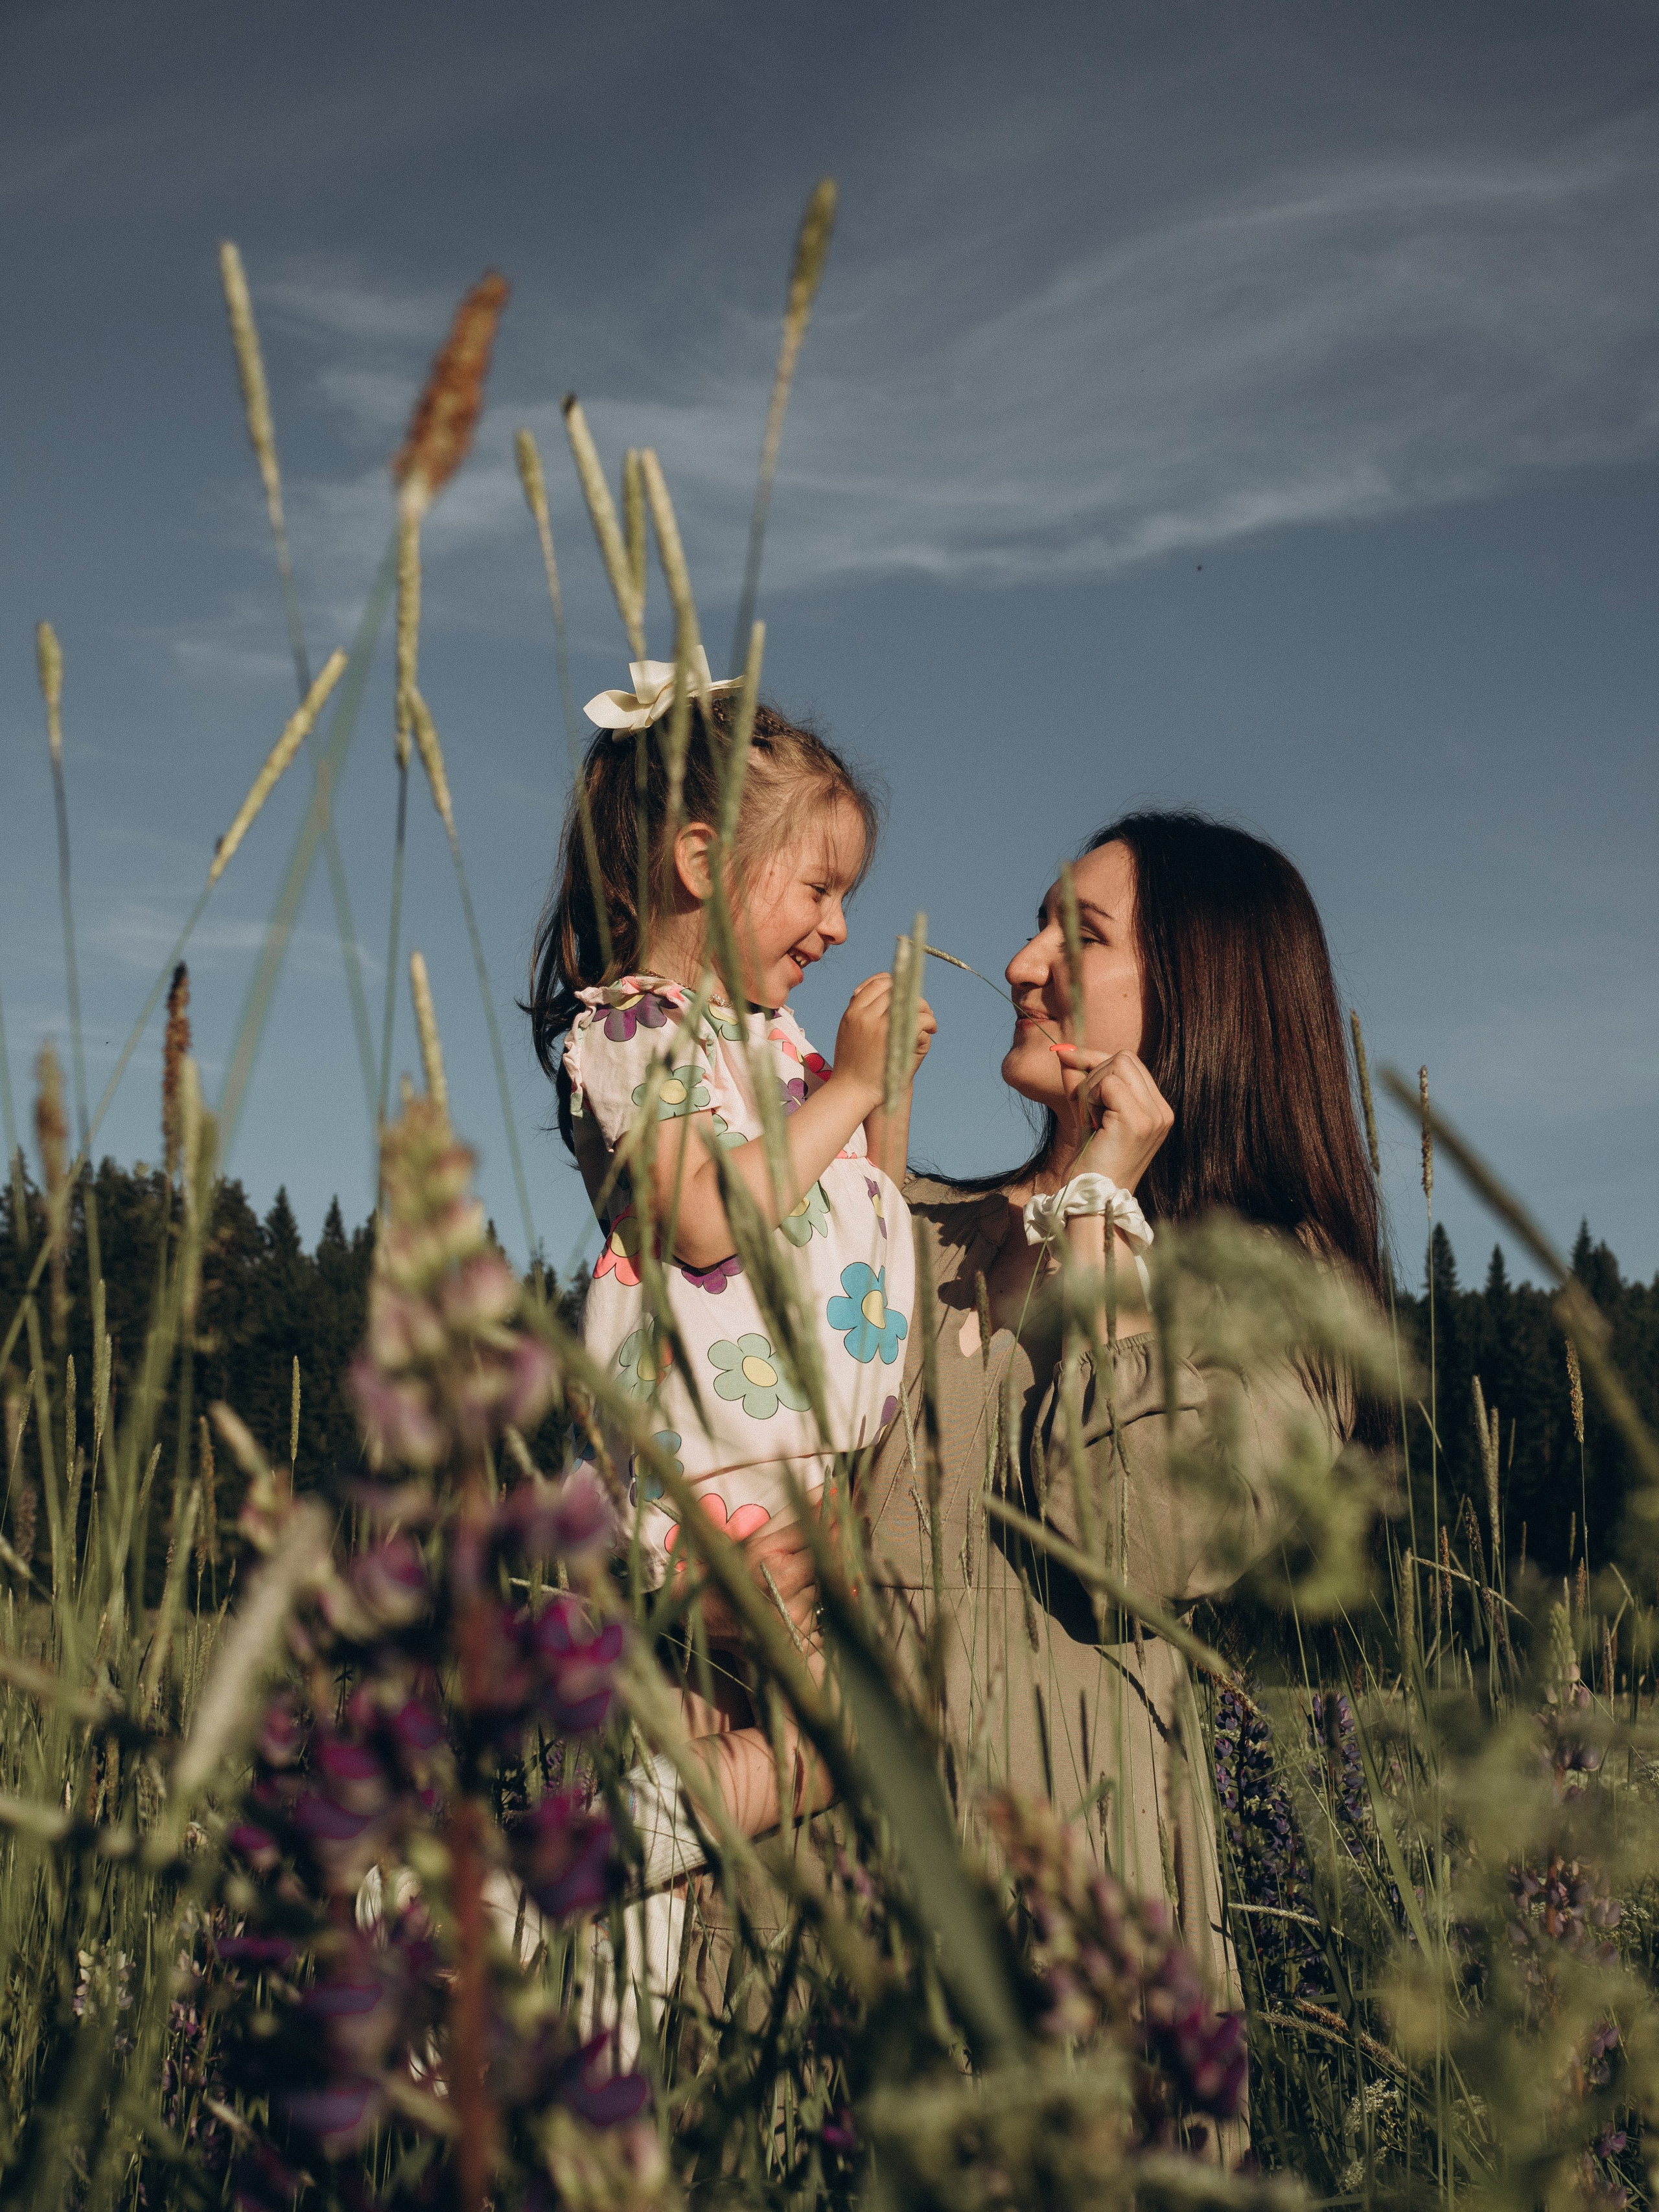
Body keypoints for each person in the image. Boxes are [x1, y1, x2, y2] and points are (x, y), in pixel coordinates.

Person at [682, 809, 1383, 2028]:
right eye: (1036, 924)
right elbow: (711, 1452)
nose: (1021, 964)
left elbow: (1132, 1535)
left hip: (1060, 1962)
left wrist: (1104, 1207)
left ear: (1205, 996)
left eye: (1084, 934)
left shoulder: (1279, 1288)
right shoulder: (907, 1226)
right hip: (792, 1956)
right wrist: (709, 1588)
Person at [528, 653, 935, 1849]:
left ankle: (560, 1884)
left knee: (803, 1745)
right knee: (842, 1741)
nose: (839, 924)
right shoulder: (632, 1030)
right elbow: (704, 1216)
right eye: (817, 886)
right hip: (705, 1483)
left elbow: (869, 1236)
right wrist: (849, 1084)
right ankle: (530, 1872)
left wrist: (879, 1102)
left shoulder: (784, 1055)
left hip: (805, 1481)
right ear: (703, 862)